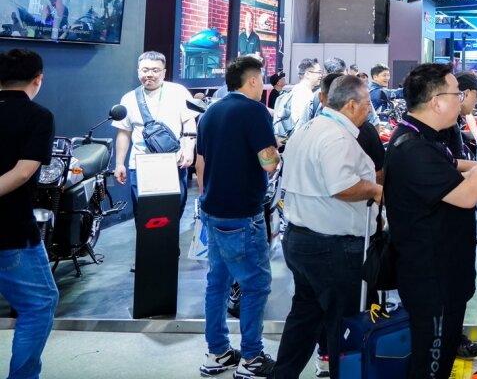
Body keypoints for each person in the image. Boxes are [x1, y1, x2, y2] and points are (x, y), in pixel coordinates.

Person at [384, 64, 477, 379]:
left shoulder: (426, 138)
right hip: (431, 279)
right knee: (431, 365)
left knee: (442, 356)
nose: (461, 99)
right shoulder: (413, 148)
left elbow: (451, 169)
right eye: (456, 94)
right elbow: (466, 196)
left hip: (444, 273)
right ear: (436, 102)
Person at [274, 75, 382, 379]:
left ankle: (283, 374)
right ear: (351, 104)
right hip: (332, 247)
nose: (370, 110)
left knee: (304, 316)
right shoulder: (337, 137)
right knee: (342, 326)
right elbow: (342, 187)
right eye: (367, 104)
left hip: (301, 238)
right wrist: (376, 190)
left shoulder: (308, 128)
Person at [196, 56, 279, 379]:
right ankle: (252, 358)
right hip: (243, 212)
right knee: (255, 285)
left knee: (217, 282)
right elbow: (268, 163)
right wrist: (276, 151)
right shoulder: (254, 111)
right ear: (253, 80)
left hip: (212, 209)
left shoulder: (210, 112)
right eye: (262, 80)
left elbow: (201, 162)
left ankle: (217, 352)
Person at [0, 49, 58, 379]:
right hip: (11, 230)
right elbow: (23, 172)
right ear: (38, 79)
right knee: (39, 304)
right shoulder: (38, 116)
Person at [114, 51, 197, 220]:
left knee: (174, 209)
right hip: (140, 163)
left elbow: (189, 122)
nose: (149, 74)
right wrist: (119, 163)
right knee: (143, 212)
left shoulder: (178, 92)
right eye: (145, 70)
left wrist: (189, 150)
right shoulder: (129, 99)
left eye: (155, 70)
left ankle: (171, 237)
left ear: (164, 72)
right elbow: (124, 133)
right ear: (138, 71)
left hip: (173, 160)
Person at [274, 58, 321, 140]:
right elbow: (300, 124)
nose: (321, 75)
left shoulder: (296, 90)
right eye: (318, 72)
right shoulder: (304, 94)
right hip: (298, 140)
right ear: (307, 74)